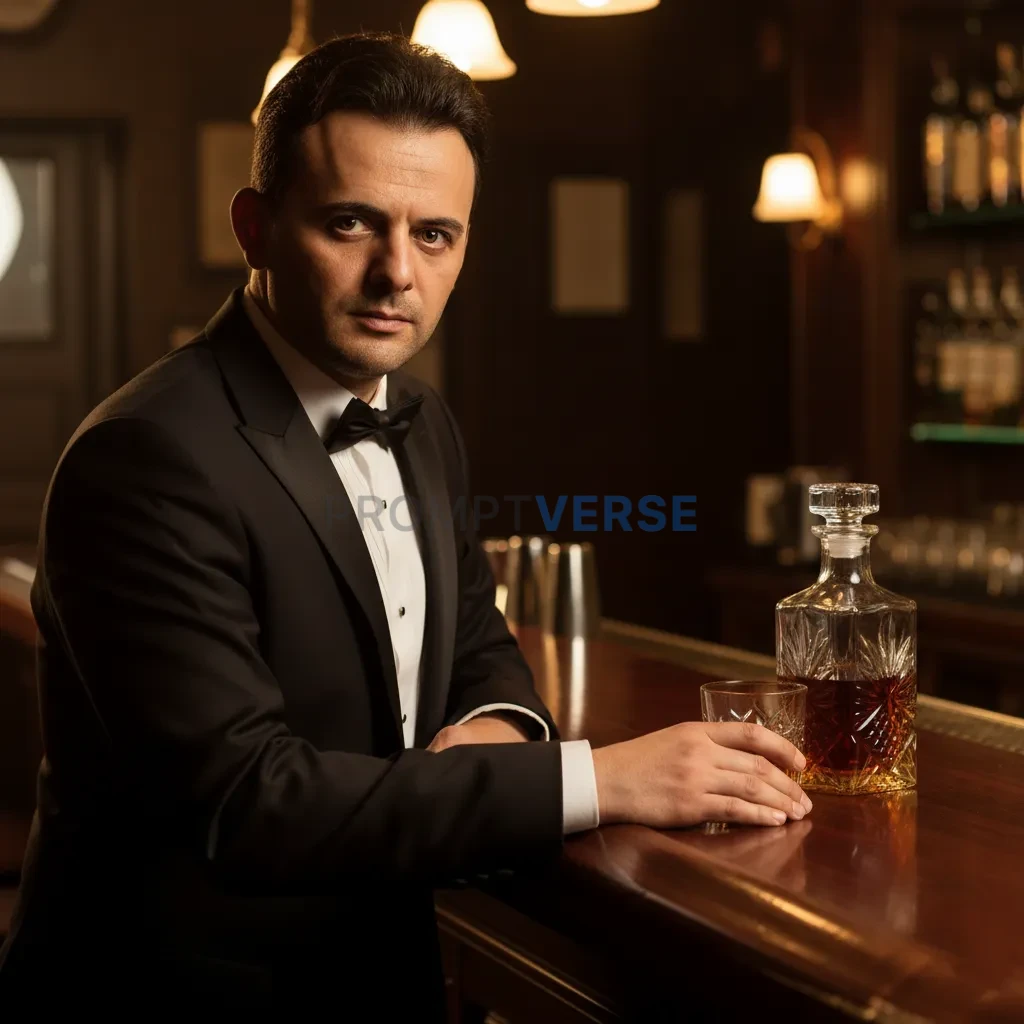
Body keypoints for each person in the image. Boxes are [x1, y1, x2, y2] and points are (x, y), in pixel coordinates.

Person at [0, 31, 811, 1016]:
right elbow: (247, 803)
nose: (398, 272)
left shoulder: (421, 419)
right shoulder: (145, 456)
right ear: (254, 228)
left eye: (435, 233)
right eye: (351, 224)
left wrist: (498, 725)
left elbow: (477, 641)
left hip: (378, 970)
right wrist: (593, 779)